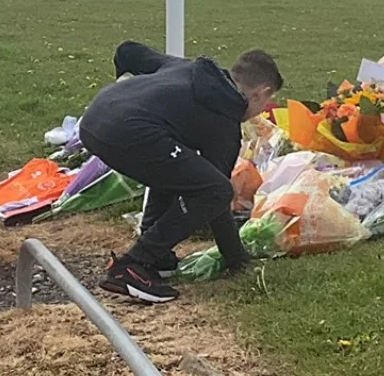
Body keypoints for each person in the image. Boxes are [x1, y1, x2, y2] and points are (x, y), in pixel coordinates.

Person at [78, 40, 283, 303]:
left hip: (97, 114)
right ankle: (132, 266)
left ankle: (157, 256)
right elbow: (216, 198)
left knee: (182, 169)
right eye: (267, 101)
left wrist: (122, 77)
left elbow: (130, 51)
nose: (264, 109)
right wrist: (238, 260)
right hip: (126, 131)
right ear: (259, 93)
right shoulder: (224, 121)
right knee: (216, 189)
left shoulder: (191, 68)